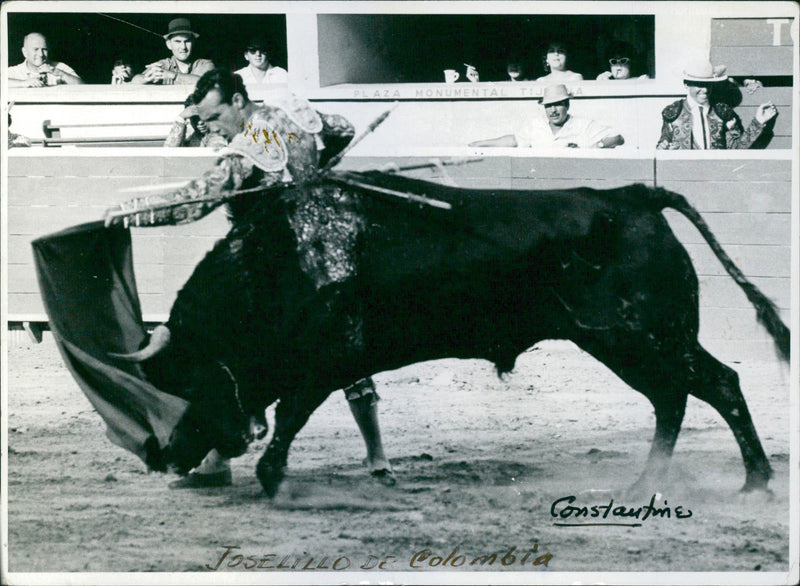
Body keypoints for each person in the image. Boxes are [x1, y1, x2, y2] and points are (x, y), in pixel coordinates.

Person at [104, 69, 395, 488]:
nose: (212, 128)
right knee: (346, 350)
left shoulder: (249, 146)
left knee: (242, 356)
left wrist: (132, 212)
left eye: (217, 115)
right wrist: (319, 165)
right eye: (204, 121)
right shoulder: (291, 113)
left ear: (239, 100)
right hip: (329, 254)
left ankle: (219, 460)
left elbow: (196, 201)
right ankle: (377, 457)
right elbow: (342, 128)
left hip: (276, 268)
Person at [657, 59, 778, 150]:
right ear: (686, 85)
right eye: (699, 85)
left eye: (708, 85)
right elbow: (663, 144)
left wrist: (758, 122)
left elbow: (738, 149)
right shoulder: (673, 113)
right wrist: (663, 147)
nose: (704, 90)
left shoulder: (722, 112)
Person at [469, 84, 624, 149]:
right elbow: (514, 140)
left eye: (557, 104)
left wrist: (595, 147)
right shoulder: (536, 125)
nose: (553, 110)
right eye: (549, 106)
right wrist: (481, 143)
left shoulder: (583, 125)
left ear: (567, 105)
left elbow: (618, 138)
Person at [130, 18, 214, 85]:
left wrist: (172, 75)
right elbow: (135, 79)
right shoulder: (163, 64)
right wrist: (146, 78)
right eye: (178, 41)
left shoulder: (204, 64)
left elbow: (207, 83)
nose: (183, 47)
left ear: (193, 43)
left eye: (187, 41)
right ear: (169, 44)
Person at [8, 32, 84, 87]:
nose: (41, 54)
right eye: (36, 49)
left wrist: (59, 73)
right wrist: (23, 83)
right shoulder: (15, 71)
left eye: (44, 49)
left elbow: (83, 86)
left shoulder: (59, 67)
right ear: (25, 52)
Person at [164, 95, 228, 149]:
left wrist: (210, 130)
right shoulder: (189, 136)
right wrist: (181, 118)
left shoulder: (223, 135)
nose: (200, 122)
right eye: (195, 118)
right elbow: (168, 153)